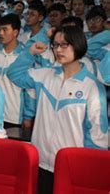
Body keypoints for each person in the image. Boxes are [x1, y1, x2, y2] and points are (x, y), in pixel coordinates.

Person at [7, 26, 108, 193]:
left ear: (78, 45)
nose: (59, 50)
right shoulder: (45, 75)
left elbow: (97, 135)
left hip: (72, 167)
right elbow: (14, 74)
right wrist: (29, 53)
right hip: (40, 162)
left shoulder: (92, 87)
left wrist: (90, 169)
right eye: (55, 45)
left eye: (64, 45)